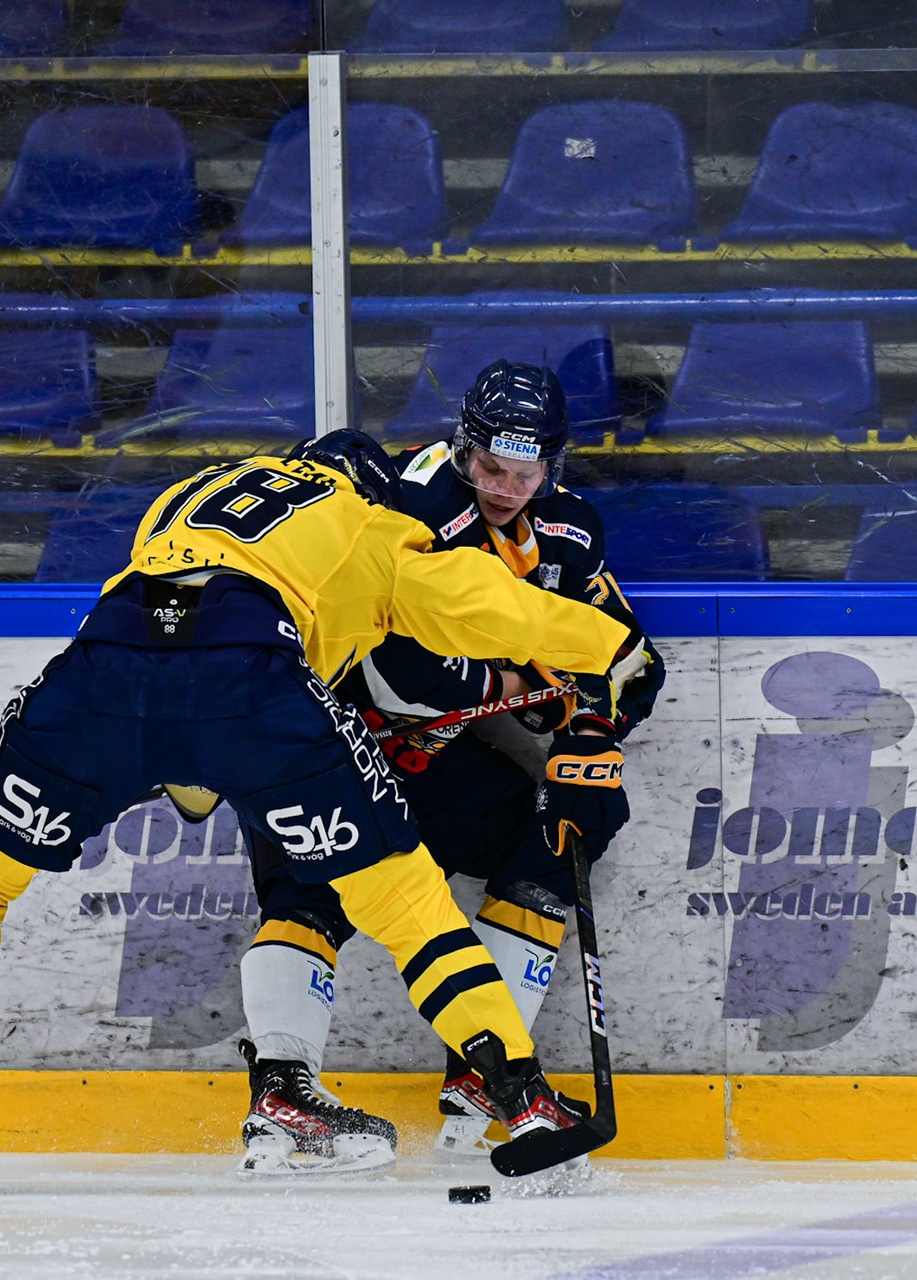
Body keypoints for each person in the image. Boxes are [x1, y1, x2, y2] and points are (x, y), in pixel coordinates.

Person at [0, 429, 649, 1195]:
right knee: (404, 899)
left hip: (102, 671)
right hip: (252, 684)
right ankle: (520, 1096)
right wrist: (610, 651)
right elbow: (487, 605)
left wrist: (159, 756)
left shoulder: (191, 492)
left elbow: (166, 660)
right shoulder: (366, 522)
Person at [235, 362, 664, 1174]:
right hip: (322, 742)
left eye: (526, 474)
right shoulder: (401, 500)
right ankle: (283, 1091)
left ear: (554, 464)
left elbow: (628, 656)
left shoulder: (568, 530)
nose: (506, 489)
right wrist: (512, 687)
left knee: (575, 817)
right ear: (464, 446)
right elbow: (398, 668)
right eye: (491, 468)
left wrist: (590, 732)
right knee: (309, 890)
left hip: (429, 761)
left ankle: (487, 1072)